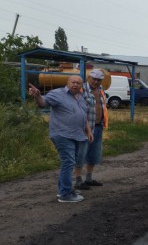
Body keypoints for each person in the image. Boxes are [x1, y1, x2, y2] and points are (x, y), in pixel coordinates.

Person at [28, 75, 92, 203]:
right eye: (73, 82)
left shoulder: (80, 98)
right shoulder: (57, 94)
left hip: (77, 134)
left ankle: (63, 189)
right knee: (68, 162)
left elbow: (83, 116)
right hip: (62, 134)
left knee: (68, 162)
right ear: (67, 83)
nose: (75, 84)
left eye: (78, 83)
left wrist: (88, 131)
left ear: (81, 85)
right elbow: (43, 103)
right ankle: (65, 194)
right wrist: (37, 96)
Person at [74, 69, 109, 190]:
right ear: (89, 78)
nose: (96, 81)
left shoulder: (101, 90)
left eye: (99, 80)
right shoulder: (81, 89)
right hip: (83, 128)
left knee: (94, 153)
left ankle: (88, 178)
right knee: (80, 153)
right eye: (94, 79)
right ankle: (78, 180)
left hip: (98, 126)